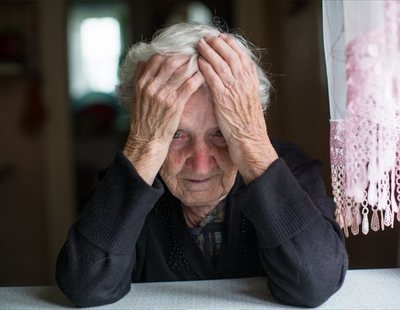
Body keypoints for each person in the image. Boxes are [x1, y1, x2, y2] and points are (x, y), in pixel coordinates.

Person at [56, 22, 348, 308]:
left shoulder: (291, 170)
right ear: (145, 128)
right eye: (175, 134)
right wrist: (143, 148)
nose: (199, 163)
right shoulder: (131, 181)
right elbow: (85, 286)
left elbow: (316, 282)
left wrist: (252, 144)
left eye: (220, 133)